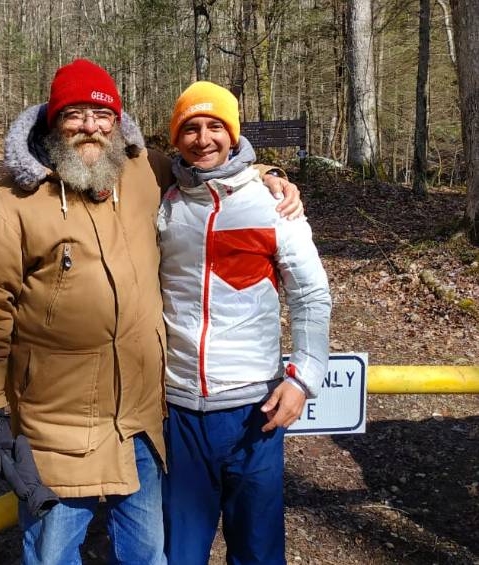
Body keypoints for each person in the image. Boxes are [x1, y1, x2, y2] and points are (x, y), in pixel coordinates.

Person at [0, 60, 302, 564]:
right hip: (58, 426)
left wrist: (269, 174)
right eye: (75, 114)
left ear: (118, 123)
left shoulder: (143, 172)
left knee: (149, 555)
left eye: (102, 114)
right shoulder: (11, 207)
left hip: (141, 420)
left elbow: (209, 168)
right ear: (53, 121)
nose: (90, 127)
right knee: (52, 556)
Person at [159, 81, 332, 565]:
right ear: (176, 138)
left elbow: (311, 294)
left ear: (233, 135)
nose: (203, 138)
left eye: (216, 126)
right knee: (179, 554)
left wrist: (303, 379)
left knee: (257, 552)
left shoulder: (272, 202)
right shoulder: (164, 204)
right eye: (190, 128)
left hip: (254, 410)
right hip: (179, 410)